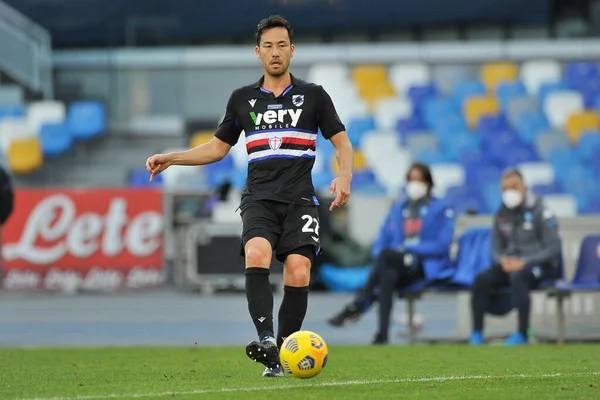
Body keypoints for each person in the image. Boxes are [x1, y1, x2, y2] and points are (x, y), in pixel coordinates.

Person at [145, 15, 353, 377]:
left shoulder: (314, 95)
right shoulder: (242, 99)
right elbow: (215, 149)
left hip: (300, 199)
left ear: (292, 50)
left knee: (299, 270)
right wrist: (171, 157)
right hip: (258, 197)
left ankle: (282, 354)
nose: (275, 53)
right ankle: (267, 339)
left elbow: (342, 141)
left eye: (282, 45)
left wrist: (345, 175)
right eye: (268, 46)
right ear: (258, 52)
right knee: (257, 252)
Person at [327, 162, 455, 344]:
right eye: (411, 179)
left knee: (387, 258)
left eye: (418, 179)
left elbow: (442, 245)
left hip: (422, 267)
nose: (414, 184)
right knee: (387, 272)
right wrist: (385, 253)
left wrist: (409, 248)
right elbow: (380, 241)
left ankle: (359, 304)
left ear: (428, 182)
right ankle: (382, 335)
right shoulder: (398, 208)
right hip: (396, 265)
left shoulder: (441, 208)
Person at [469, 168, 561, 346]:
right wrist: (502, 260)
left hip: (540, 266)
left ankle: (522, 333)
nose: (509, 192)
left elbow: (553, 249)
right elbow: (495, 247)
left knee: (520, 278)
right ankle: (476, 333)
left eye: (514, 186)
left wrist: (524, 262)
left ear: (524, 187)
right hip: (510, 264)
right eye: (505, 188)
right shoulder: (501, 214)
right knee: (481, 280)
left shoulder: (541, 211)